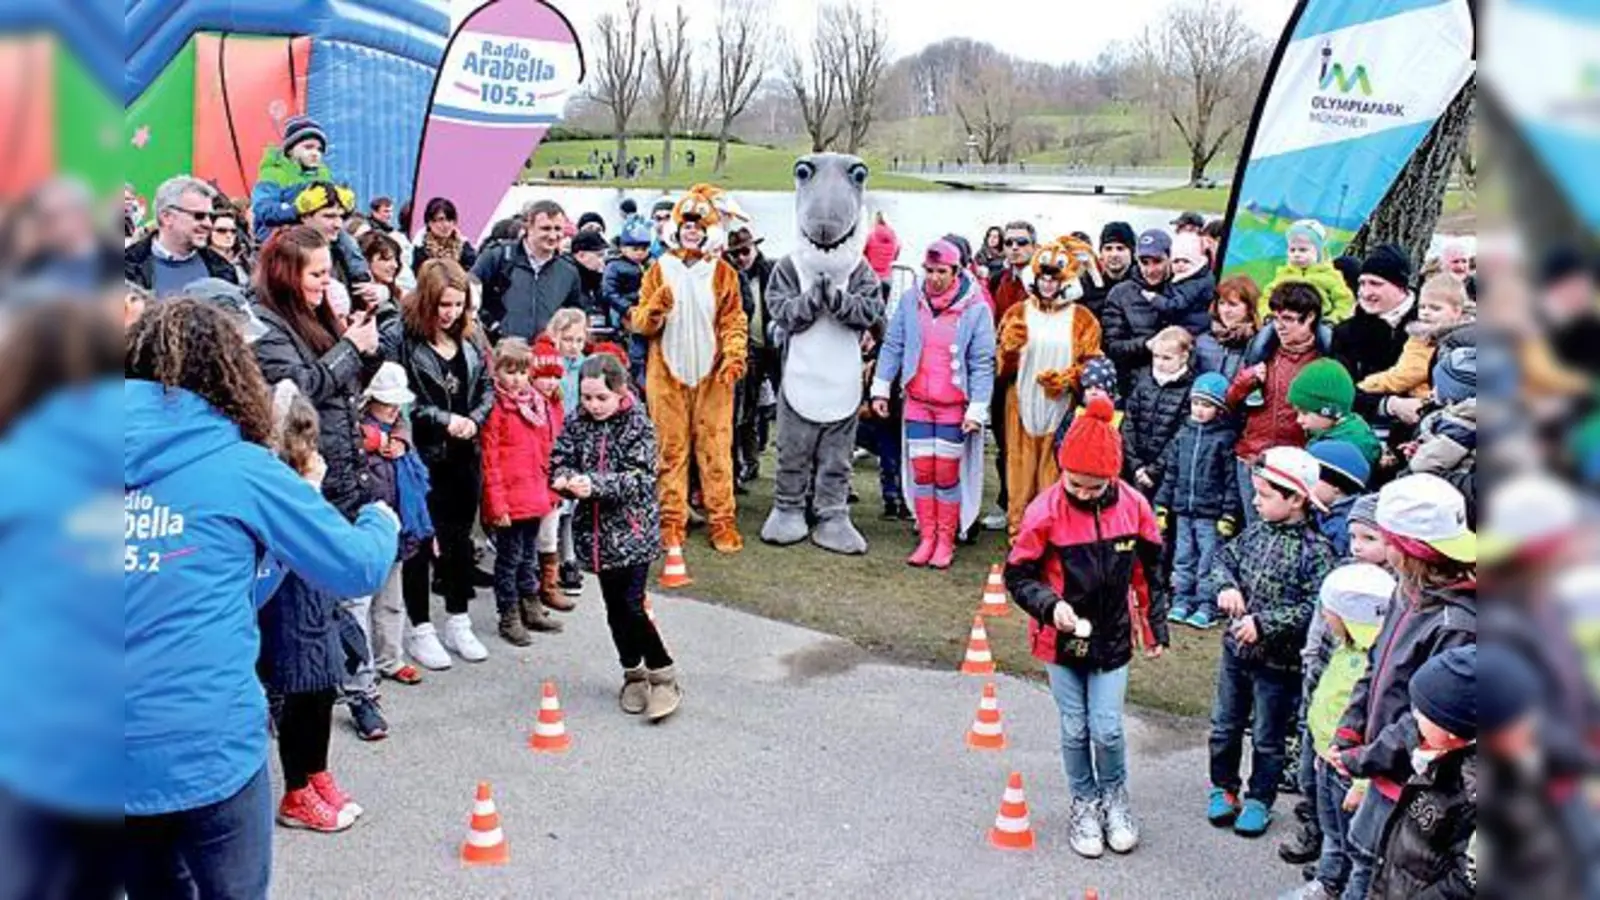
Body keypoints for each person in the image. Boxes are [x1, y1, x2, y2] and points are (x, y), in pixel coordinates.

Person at [126, 299, 397, 892]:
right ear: (231, 373)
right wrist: (380, 517)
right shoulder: (242, 468)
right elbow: (355, 569)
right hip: (208, 743)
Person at [1005, 393, 1167, 860]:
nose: (1083, 493)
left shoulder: (1134, 507)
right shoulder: (1045, 510)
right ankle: (1084, 800)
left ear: (1112, 476)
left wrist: (1153, 628)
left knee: (1109, 729)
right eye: (1075, 484)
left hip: (1113, 635)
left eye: (1096, 487)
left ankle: (1115, 797)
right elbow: (1019, 575)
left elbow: (1150, 570)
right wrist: (1049, 606)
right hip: (1060, 639)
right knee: (1075, 729)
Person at [1332, 473, 1476, 900]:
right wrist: (1349, 726)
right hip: (1379, 766)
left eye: (1384, 538)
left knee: (1380, 871)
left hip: (1412, 784)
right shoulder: (1406, 591)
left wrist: (1364, 758)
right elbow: (1375, 664)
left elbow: (1427, 721)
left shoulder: (1459, 626)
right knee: (1360, 855)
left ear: (1408, 548)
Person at [254, 383, 372, 830]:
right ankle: (296, 791)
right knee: (299, 693)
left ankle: (318, 773)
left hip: (316, 599)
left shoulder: (306, 477)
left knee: (322, 689)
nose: (311, 446)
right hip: (288, 607)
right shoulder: (275, 482)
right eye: (302, 437)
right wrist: (309, 489)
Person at [1204, 446, 1339, 838]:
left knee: (1268, 735)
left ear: (1295, 499)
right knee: (1224, 726)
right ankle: (1223, 787)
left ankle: (1260, 798)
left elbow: (1317, 608)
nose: (1256, 502)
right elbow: (1222, 561)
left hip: (1278, 666)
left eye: (1264, 496)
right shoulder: (1254, 533)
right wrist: (1226, 586)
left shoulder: (1317, 552)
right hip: (1235, 652)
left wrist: (1264, 624)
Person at [550, 351, 682, 720]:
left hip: (632, 531)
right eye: (587, 397)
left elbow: (640, 477)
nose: (593, 405)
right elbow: (560, 457)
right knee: (613, 609)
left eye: (601, 398)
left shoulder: (638, 423)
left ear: (620, 391)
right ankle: (633, 673)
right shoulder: (578, 421)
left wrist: (593, 484)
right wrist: (562, 478)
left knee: (631, 605)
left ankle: (663, 673)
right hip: (595, 536)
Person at [630, 186, 749, 560]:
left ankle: (722, 519)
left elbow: (734, 321)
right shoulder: (657, 269)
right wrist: (654, 311)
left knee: (715, 450)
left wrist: (733, 356)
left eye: (698, 227)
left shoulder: (724, 273)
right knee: (670, 451)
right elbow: (640, 323)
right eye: (686, 226)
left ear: (710, 229)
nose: (691, 232)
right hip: (667, 374)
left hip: (713, 378)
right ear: (676, 228)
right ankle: (670, 520)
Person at [870, 240, 996, 569]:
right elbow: (893, 344)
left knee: (946, 474)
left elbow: (983, 362)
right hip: (917, 402)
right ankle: (926, 536)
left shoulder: (976, 308)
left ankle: (946, 538)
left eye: (942, 271)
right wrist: (881, 389)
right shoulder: (911, 300)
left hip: (953, 405)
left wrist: (976, 409)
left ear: (956, 271)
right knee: (922, 472)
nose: (935, 278)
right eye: (929, 271)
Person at [397, 258, 496, 668]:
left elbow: (488, 388)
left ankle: (458, 619)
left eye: (458, 305)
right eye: (444, 304)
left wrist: (472, 420)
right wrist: (443, 420)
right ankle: (420, 628)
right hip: (423, 456)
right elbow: (399, 397)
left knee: (459, 542)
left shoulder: (472, 340)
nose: (452, 313)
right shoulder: (403, 340)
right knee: (419, 541)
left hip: (464, 455)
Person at [251, 226, 384, 520]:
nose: (327, 283)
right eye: (316, 274)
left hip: (347, 465)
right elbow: (298, 389)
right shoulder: (266, 324)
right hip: (311, 472)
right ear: (286, 275)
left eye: (328, 273)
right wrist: (350, 347)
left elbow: (352, 384)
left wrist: (369, 350)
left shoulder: (317, 313)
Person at [1285, 563, 1395, 900]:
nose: (1325, 620)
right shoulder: (1344, 649)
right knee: (1332, 831)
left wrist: (1362, 784)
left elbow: (1379, 727)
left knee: (1359, 848)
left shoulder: (1375, 663)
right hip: (1328, 756)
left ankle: (1351, 891)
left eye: (1328, 612)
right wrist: (1320, 750)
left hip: (1355, 772)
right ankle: (1328, 881)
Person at [995, 240, 1102, 536]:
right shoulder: (1018, 312)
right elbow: (1001, 370)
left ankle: (1054, 536)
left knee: (1054, 473)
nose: (1047, 284)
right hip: (1021, 403)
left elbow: (1093, 366)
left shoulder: (1083, 319)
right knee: (1019, 472)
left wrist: (1069, 378)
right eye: (1043, 277)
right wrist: (1009, 350)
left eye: (1054, 278)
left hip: (1060, 407)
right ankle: (1019, 534)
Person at [1365, 645, 1479, 900]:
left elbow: (1468, 881)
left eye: (1422, 713)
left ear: (1452, 729)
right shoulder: (1439, 752)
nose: (1414, 718)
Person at [480, 337, 565, 645]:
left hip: (534, 493)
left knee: (529, 555)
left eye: (521, 372)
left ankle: (531, 603)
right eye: (509, 372)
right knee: (509, 558)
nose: (516, 379)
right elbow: (490, 461)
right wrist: (496, 504)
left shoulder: (537, 404)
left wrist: (552, 490)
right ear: (497, 371)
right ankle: (509, 612)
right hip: (509, 498)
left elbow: (546, 451)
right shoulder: (496, 409)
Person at [356, 363, 431, 691]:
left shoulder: (400, 428)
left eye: (395, 403)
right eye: (385, 402)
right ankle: (360, 667)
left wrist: (400, 439)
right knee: (357, 603)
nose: (392, 409)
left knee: (391, 599)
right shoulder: (356, 431)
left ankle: (390, 658)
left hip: (396, 526)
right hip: (364, 525)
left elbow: (402, 425)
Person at [1226, 280, 1326, 520]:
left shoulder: (1321, 363)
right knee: (1255, 530)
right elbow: (1229, 402)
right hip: (1253, 457)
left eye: (1289, 319)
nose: (1280, 327)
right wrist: (1246, 380)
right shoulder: (1263, 354)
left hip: (1294, 466)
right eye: (1276, 319)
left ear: (1310, 317)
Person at [1156, 372, 1242, 629]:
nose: (1200, 410)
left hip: (1211, 514)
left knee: (1209, 561)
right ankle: (1182, 599)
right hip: (1183, 511)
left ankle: (1208, 605)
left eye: (1207, 405)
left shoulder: (1224, 438)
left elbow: (1231, 481)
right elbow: (1171, 472)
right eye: (1196, 403)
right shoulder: (1183, 435)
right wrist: (1161, 504)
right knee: (1183, 558)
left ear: (1219, 408)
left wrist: (1229, 514)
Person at [985, 221, 1038, 530]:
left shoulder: (1045, 279)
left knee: (1035, 444)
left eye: (1022, 242)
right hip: (1002, 375)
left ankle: (1034, 505)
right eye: (1009, 243)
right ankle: (1007, 502)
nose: (1015, 248)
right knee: (1005, 444)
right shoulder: (998, 280)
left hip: (1033, 374)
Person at [473, 198, 585, 343]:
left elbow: (574, 313)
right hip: (501, 350)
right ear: (528, 227)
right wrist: (492, 325)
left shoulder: (569, 271)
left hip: (546, 354)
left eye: (557, 229)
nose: (552, 236)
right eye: (545, 228)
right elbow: (470, 290)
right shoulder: (498, 256)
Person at [1333, 244, 1420, 424]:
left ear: (1401, 286)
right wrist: (1389, 405)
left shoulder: (1431, 323)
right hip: (1364, 423)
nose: (1365, 293)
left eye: (1375, 284)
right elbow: (1340, 389)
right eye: (1362, 283)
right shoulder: (1346, 332)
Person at [1356, 273, 1473, 400]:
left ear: (1457, 311)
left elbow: (1405, 375)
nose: (1426, 313)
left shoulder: (1427, 339)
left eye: (1435, 308)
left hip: (1431, 402)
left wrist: (1363, 386)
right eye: (1422, 307)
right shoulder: (1472, 332)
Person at [124, 175, 240, 295]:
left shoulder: (222, 269)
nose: (208, 224)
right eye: (199, 216)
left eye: (210, 216)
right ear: (167, 217)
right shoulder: (125, 268)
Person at [726, 225, 777, 487]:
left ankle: (761, 458)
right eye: (736, 254)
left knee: (773, 408)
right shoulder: (728, 276)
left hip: (774, 348)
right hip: (746, 350)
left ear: (755, 248)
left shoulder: (773, 272)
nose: (742, 258)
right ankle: (747, 463)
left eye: (745, 251)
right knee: (744, 411)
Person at [1121, 325, 1196, 502]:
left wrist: (1154, 470)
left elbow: (1180, 434)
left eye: (1167, 358)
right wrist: (1135, 466)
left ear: (1184, 357)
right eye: (1155, 356)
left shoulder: (1189, 390)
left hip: (1166, 474)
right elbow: (1128, 423)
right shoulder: (1143, 381)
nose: (1159, 362)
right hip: (1134, 468)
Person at [546, 309, 589, 601]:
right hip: (553, 442)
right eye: (568, 339)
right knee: (555, 506)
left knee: (573, 505)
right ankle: (551, 560)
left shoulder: (587, 367)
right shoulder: (551, 368)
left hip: (578, 442)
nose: (573, 345)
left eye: (579, 339)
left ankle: (570, 558)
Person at [1103, 229, 1172, 394]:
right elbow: (1111, 346)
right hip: (1132, 385)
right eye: (1144, 262)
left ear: (1169, 258)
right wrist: (1146, 344)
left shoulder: (1182, 292)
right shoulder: (1120, 293)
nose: (1150, 270)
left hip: (1173, 386)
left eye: (1157, 262)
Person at [1260, 219, 1356, 325]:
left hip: (1319, 323)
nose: (1296, 254)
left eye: (1303, 250)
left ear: (1318, 252)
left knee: (1326, 338)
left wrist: (1333, 319)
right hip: (1283, 321)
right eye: (1292, 250)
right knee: (1263, 337)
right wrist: (1267, 314)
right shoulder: (1283, 275)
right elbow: (1266, 298)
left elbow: (1345, 300)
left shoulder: (1330, 275)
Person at [1287, 359, 1382, 467]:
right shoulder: (1331, 433)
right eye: (1297, 412)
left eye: (1305, 413)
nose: (1299, 420)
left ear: (1330, 412)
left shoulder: (1338, 454)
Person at [1196, 275, 1263, 382]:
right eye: (1221, 303)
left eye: (1233, 305)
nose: (1226, 310)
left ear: (1249, 307)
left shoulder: (1259, 345)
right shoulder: (1203, 341)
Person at [1150, 231, 1218, 336]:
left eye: (1186, 261)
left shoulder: (1195, 283)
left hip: (1192, 329)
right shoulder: (1187, 277)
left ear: (1197, 262)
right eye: (1176, 261)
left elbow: (1176, 305)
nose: (1180, 265)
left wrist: (1155, 298)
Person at [568, 227, 613, 342]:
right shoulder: (566, 281)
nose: (602, 261)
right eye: (599, 255)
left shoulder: (597, 282)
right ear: (581, 255)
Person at [412, 197, 479, 273]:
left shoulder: (464, 246)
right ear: (429, 222)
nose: (446, 225)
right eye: (441, 219)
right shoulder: (420, 248)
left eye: (450, 220)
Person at [208, 206, 252, 284]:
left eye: (233, 231)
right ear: (209, 232)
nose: (229, 235)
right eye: (221, 230)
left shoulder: (243, 257)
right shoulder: (202, 261)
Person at [864, 210, 901, 302]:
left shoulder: (870, 235)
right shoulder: (893, 236)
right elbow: (897, 250)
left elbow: (864, 253)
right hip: (887, 278)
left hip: (872, 278)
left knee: (869, 309)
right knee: (883, 309)